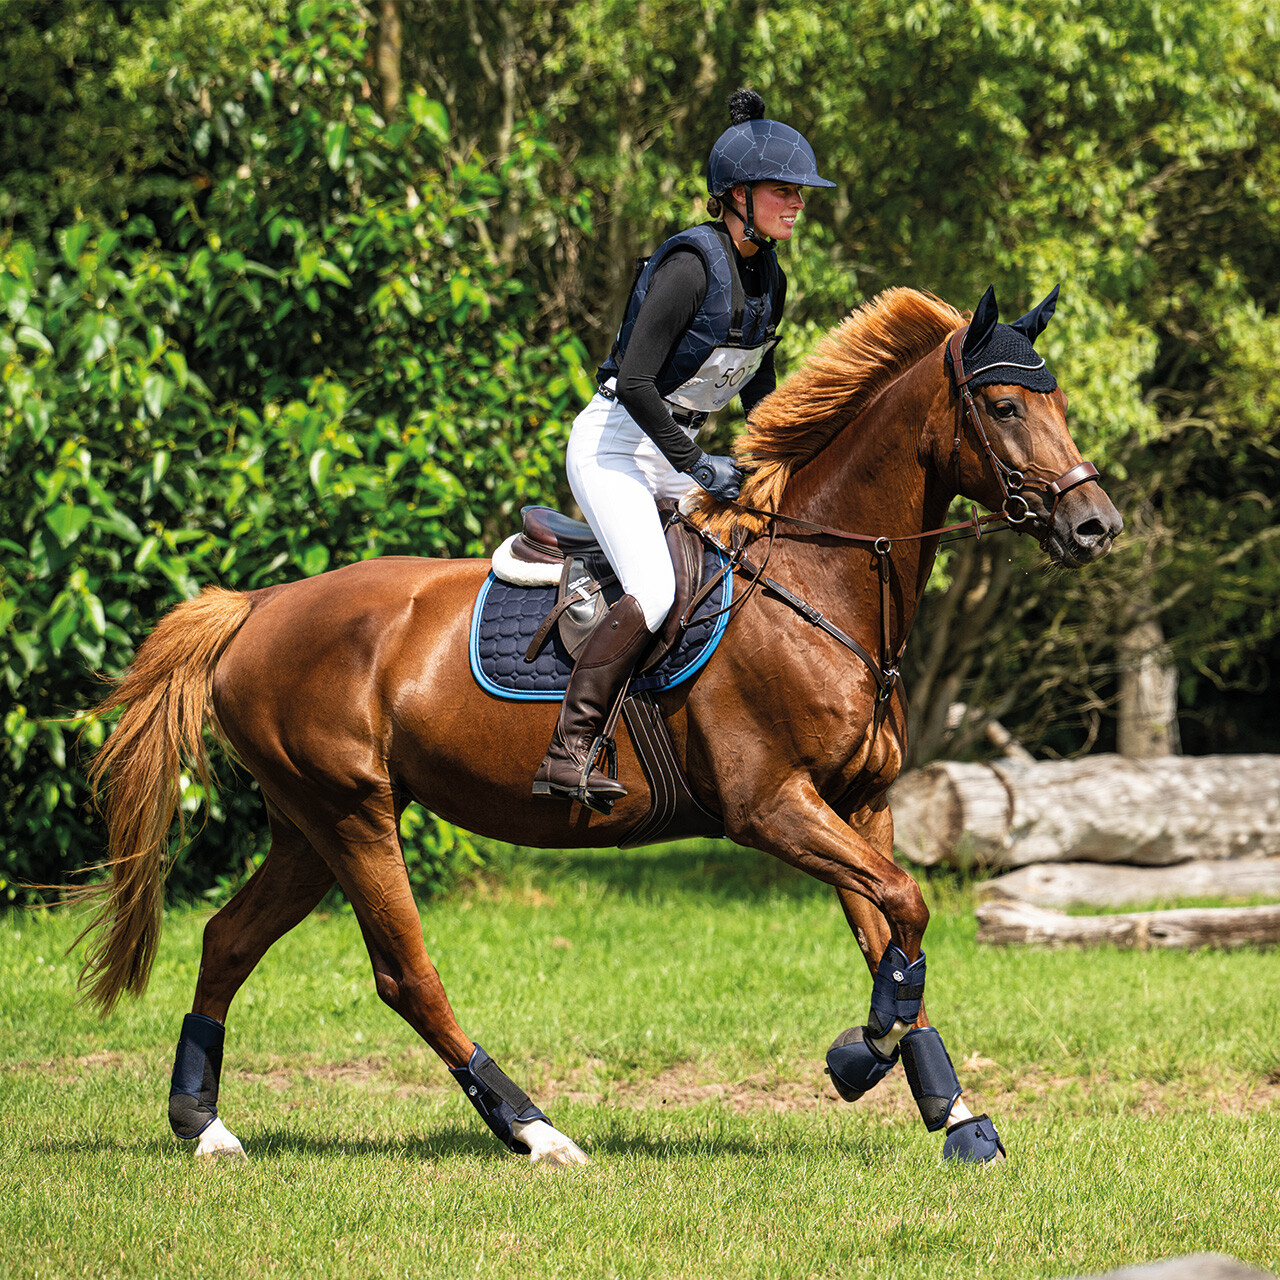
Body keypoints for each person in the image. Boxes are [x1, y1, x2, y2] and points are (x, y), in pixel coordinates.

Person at [532, 87, 834, 808]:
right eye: (783, 191)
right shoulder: (690, 267)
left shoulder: (770, 280)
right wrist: (698, 465)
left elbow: (757, 391)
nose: (797, 203)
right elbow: (636, 381)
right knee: (658, 587)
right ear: (736, 196)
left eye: (800, 193)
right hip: (614, 446)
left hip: (672, 453)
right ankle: (568, 750)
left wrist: (785, 459)